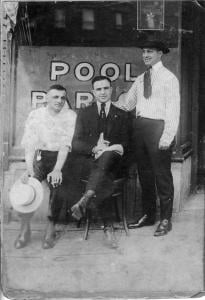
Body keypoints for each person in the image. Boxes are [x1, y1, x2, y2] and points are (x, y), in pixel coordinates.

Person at [117, 40, 180, 236]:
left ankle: (166, 220)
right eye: (144, 51)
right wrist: (108, 102)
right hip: (140, 128)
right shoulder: (141, 78)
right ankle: (149, 215)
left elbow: (173, 110)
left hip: (158, 129)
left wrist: (167, 137)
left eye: (150, 51)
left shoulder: (169, 78)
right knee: (144, 174)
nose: (145, 55)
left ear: (160, 54)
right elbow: (128, 104)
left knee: (162, 176)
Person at [14, 84, 76, 249]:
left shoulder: (70, 116)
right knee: (28, 187)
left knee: (57, 187)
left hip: (60, 159)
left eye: (63, 97)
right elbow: (29, 144)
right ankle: (24, 230)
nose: (59, 101)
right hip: (40, 156)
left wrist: (57, 170)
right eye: (55, 97)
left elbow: (65, 145)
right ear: (47, 98)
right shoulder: (36, 115)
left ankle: (51, 229)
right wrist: (29, 169)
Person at [70, 75, 129, 247]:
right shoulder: (84, 112)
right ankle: (108, 228)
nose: (102, 92)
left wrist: (111, 148)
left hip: (114, 163)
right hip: (92, 163)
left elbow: (127, 143)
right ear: (93, 92)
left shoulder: (122, 114)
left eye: (106, 88)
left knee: (108, 157)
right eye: (99, 89)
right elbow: (76, 143)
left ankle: (86, 198)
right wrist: (95, 148)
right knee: (104, 175)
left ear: (111, 90)